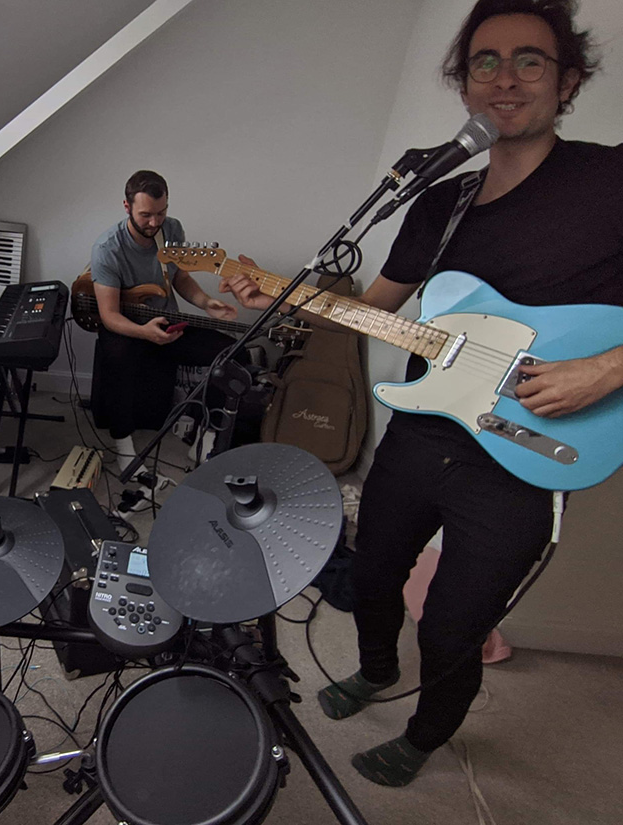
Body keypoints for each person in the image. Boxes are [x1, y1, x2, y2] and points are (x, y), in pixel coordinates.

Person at [223, 0, 622, 787]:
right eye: (485, 61)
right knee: (371, 574)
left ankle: (426, 730)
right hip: (425, 433)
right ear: (464, 84)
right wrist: (273, 295)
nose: (505, 78)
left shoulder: (610, 180)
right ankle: (373, 669)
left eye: (529, 60)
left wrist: (606, 369)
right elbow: (374, 311)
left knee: (451, 625)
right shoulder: (441, 201)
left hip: (521, 458)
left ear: (568, 79)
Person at [90, 170, 248, 471]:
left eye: (161, 213)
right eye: (146, 215)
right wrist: (143, 333)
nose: (154, 223)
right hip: (126, 325)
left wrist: (207, 303)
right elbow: (109, 315)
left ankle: (206, 435)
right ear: (126, 207)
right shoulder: (107, 249)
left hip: (165, 320)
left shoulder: (172, 230)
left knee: (234, 354)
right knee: (117, 357)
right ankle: (124, 448)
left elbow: (180, 277)